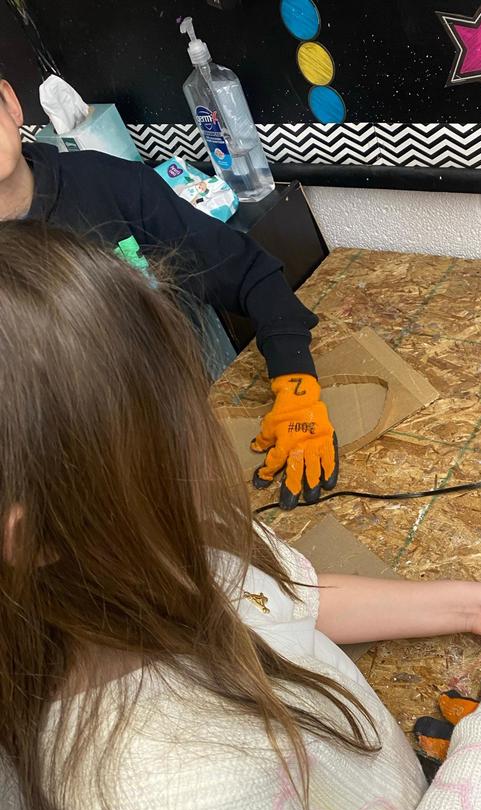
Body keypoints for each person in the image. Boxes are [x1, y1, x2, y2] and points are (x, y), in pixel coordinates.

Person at [0, 221, 481, 810]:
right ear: (34, 535)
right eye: (165, 436)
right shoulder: (173, 798)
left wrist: (467, 602)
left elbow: (284, 599)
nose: (207, 451)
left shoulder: (140, 554)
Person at [0, 72, 335, 510]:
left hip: (194, 438)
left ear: (9, 100)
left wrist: (296, 388)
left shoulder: (110, 185)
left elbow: (249, 272)